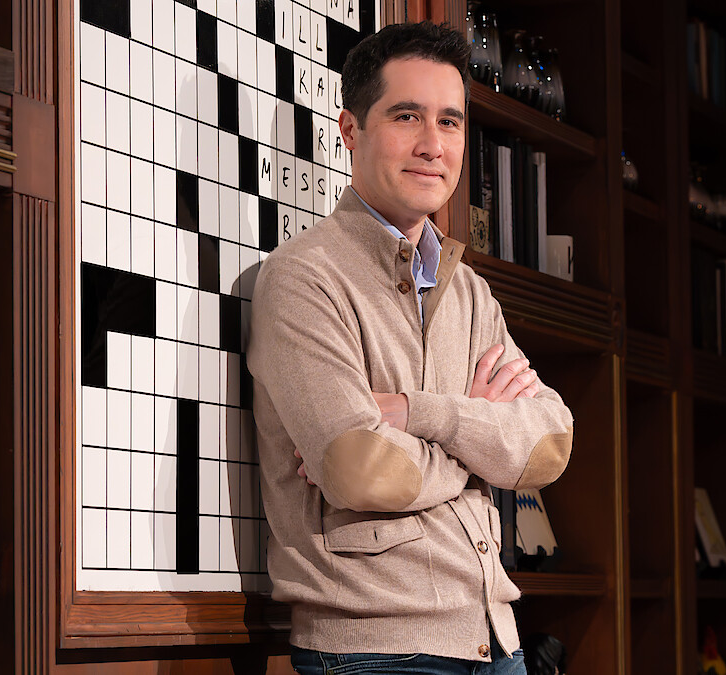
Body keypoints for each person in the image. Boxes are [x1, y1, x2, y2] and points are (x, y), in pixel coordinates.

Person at [246, 21, 574, 675]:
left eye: (450, 122)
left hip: (496, 641)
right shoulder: (303, 278)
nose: (433, 144)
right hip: (375, 652)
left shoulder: (469, 291)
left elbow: (547, 444)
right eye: (407, 116)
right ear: (351, 130)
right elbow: (361, 468)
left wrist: (414, 413)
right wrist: (476, 448)